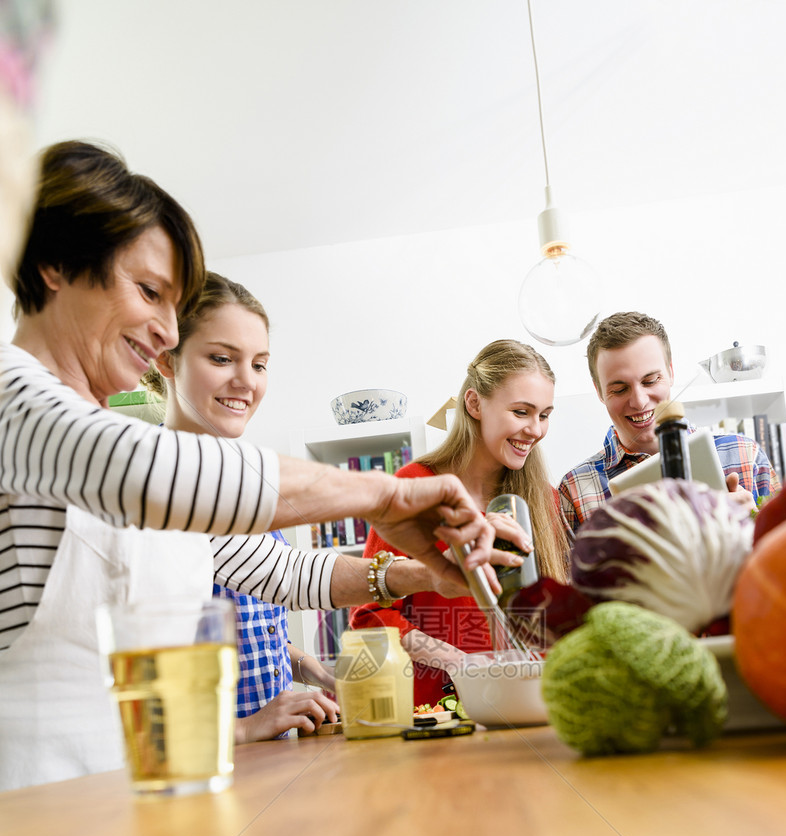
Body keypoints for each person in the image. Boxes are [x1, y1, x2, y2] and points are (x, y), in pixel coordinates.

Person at [0, 140, 494, 790]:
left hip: (140, 806)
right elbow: (142, 470)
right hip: (30, 819)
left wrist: (418, 572)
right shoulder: (17, 396)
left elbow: (284, 569)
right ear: (53, 263)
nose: (168, 333)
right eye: (149, 291)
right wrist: (385, 496)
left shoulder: (121, 447)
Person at [147, 271, 341, 742]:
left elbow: (248, 622)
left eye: (260, 364)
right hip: (206, 767)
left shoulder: (245, 482)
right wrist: (245, 727)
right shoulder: (153, 489)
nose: (246, 382)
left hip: (274, 759)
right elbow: (147, 675)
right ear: (165, 359)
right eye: (221, 358)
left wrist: (305, 666)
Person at [350, 339, 570, 707]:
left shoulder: (543, 497)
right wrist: (459, 663)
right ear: (474, 403)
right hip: (435, 716)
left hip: (529, 704)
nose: (535, 429)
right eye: (521, 412)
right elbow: (369, 614)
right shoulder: (413, 487)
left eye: (544, 415)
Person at [557, 311, 781, 539]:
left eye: (650, 381)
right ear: (599, 392)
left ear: (671, 373)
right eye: (619, 389)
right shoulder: (575, 489)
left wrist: (754, 525)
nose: (639, 401)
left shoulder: (744, 455)